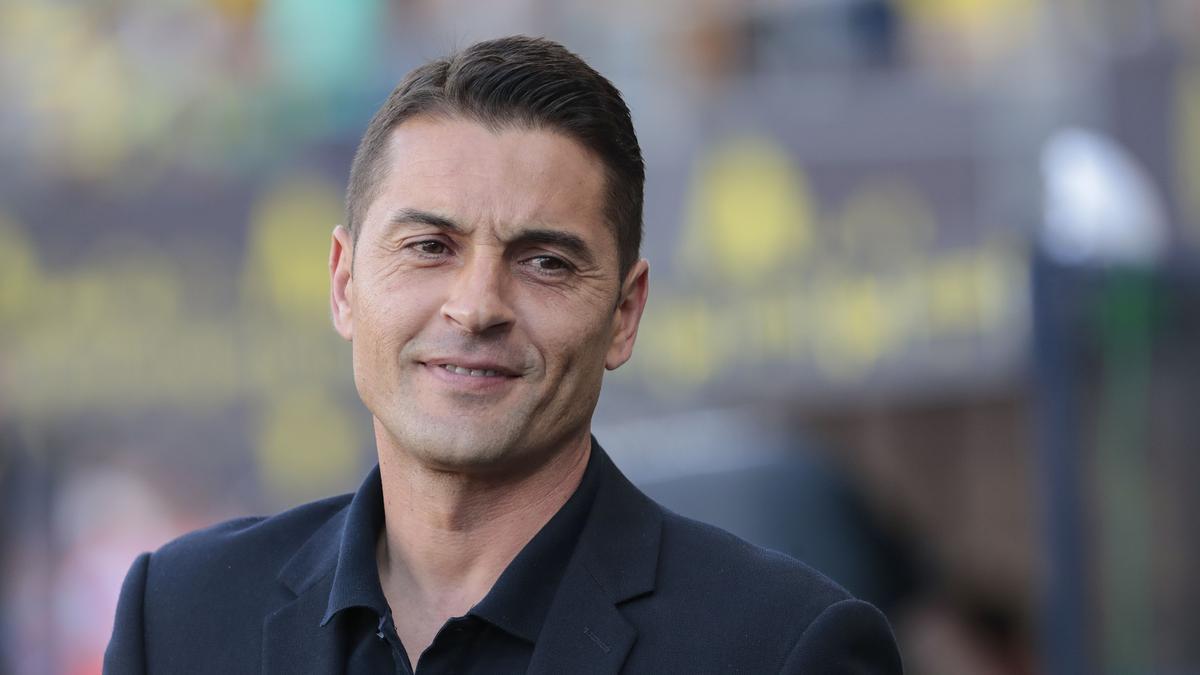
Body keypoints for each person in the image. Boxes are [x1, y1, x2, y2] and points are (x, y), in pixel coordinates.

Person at [104, 36, 902, 674]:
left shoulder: (782, 648)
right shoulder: (179, 615)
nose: (478, 304)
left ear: (624, 315)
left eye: (545, 261)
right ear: (345, 284)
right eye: (428, 246)